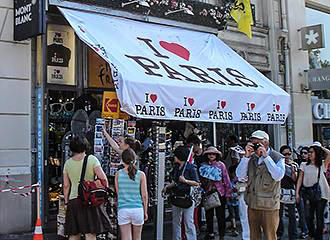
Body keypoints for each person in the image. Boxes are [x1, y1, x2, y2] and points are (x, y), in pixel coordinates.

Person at [236, 130, 285, 240]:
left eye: (258, 142)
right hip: (252, 204)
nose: (255, 145)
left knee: (270, 236)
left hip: (269, 205)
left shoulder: (277, 157)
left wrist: (266, 157)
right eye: (253, 142)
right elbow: (240, 176)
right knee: (254, 236)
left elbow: (278, 176)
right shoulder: (250, 158)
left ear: (266, 142)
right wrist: (246, 157)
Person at [63, 136, 110, 240]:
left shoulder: (67, 163)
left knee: (74, 233)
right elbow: (104, 179)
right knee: (90, 233)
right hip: (89, 200)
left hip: (73, 200)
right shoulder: (92, 159)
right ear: (85, 146)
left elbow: (66, 186)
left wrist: (66, 202)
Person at [162, 146, 200, 240]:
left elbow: (197, 183)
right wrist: (167, 187)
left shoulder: (190, 167)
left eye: (175, 155)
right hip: (177, 196)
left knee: (188, 222)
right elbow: (175, 182)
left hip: (187, 197)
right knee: (176, 222)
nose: (174, 157)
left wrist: (186, 181)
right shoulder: (176, 167)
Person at [296, 143, 330, 240]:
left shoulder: (322, 164)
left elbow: (329, 154)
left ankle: (318, 238)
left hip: (321, 194)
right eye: (308, 152)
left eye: (311, 152)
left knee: (319, 218)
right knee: (308, 217)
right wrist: (297, 193)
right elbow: (300, 179)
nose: (309, 154)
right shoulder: (303, 165)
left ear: (316, 153)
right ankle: (311, 234)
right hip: (308, 193)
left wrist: (320, 147)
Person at [115, 148, 148, 240]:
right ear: (135, 159)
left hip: (123, 209)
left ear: (122, 160)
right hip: (137, 209)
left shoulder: (118, 174)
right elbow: (144, 196)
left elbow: (118, 194)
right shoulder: (141, 175)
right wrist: (145, 211)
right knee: (137, 238)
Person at [200, 146, 231, 240]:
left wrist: (228, 192)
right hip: (208, 192)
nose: (211, 155)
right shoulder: (203, 165)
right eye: (209, 154)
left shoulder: (221, 165)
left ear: (216, 155)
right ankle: (210, 233)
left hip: (220, 193)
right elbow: (201, 180)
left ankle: (222, 235)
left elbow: (226, 179)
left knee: (220, 215)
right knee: (208, 215)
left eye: (213, 154)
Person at [277, 145, 298, 240]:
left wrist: (293, 172)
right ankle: (279, 233)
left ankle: (292, 235)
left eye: (289, 154)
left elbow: (295, 179)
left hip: (290, 192)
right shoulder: (278, 164)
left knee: (292, 216)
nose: (287, 156)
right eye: (285, 154)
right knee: (279, 215)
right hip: (280, 191)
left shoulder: (294, 164)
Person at [296, 146, 309, 239]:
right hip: (300, 191)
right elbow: (298, 180)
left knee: (308, 212)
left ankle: (307, 230)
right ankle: (305, 230)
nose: (303, 155)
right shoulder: (297, 163)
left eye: (306, 153)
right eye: (302, 153)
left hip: (310, 191)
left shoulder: (313, 164)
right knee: (302, 212)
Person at [227, 165, 240, 237]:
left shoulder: (238, 180)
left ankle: (234, 227)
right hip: (230, 200)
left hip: (237, 200)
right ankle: (234, 228)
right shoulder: (228, 180)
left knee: (237, 214)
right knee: (232, 215)